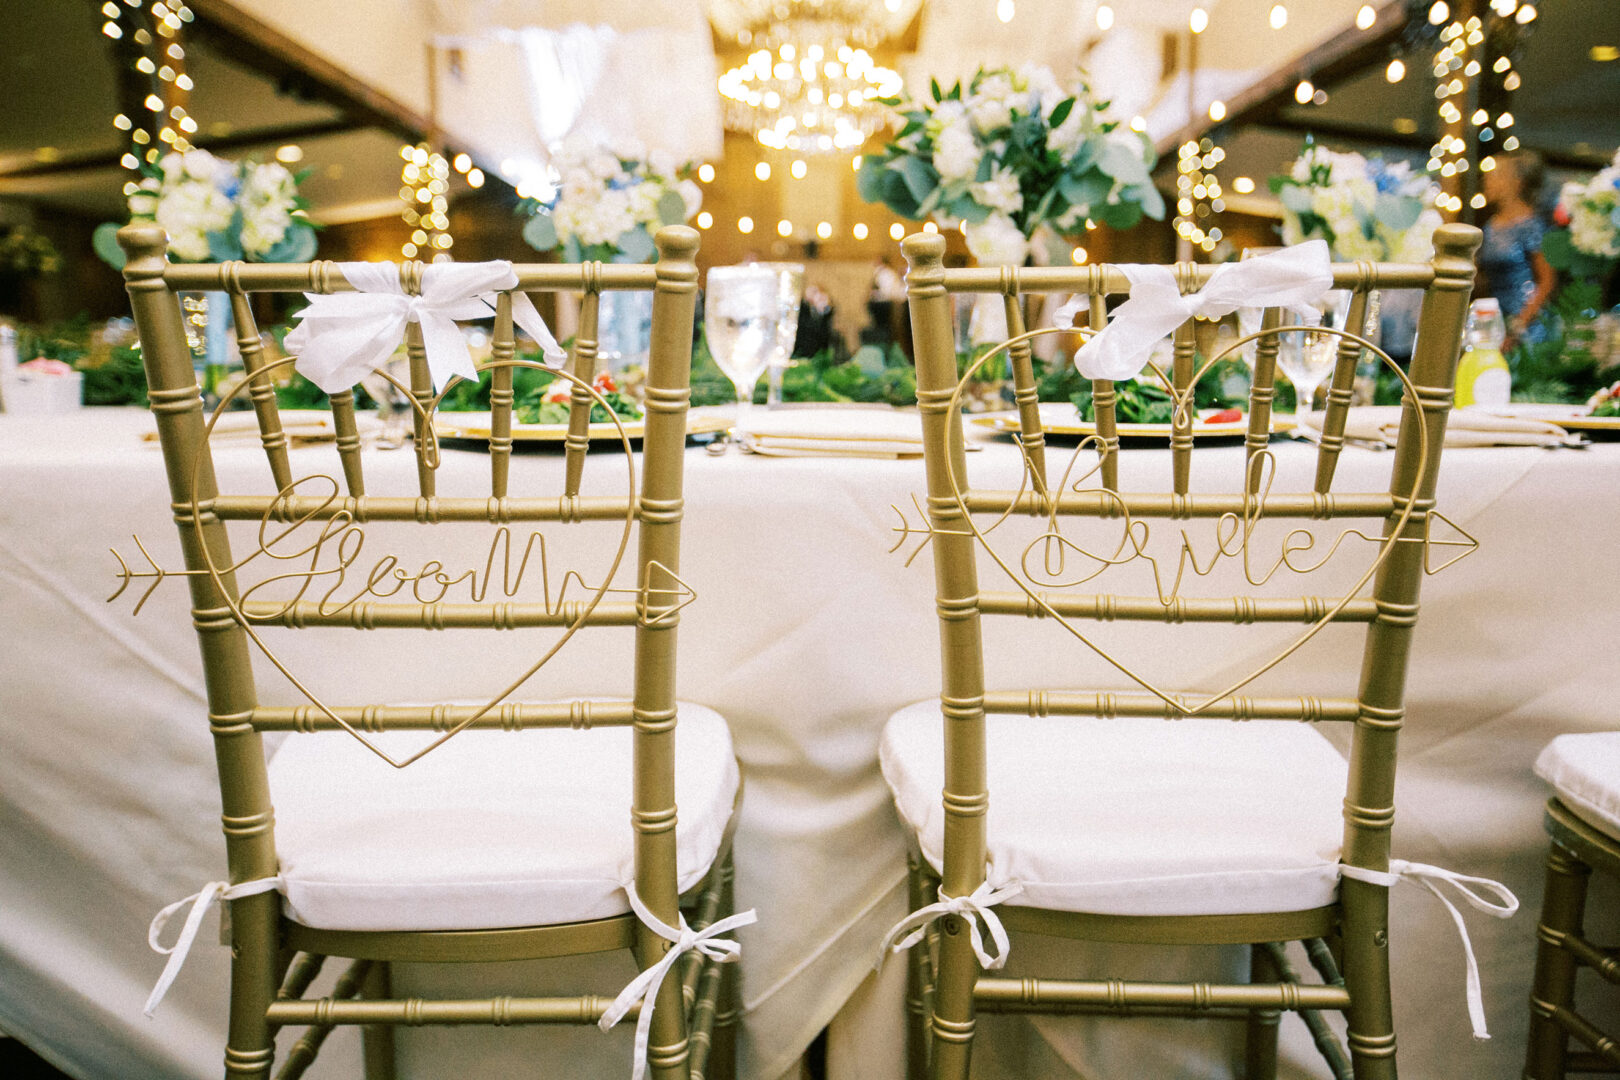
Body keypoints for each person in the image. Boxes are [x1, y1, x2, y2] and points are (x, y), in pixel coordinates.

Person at [1477, 151, 1557, 350]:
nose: (1487, 182)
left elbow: (1547, 282)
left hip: (1529, 326)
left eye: (1494, 176)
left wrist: (1519, 327)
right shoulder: (1490, 225)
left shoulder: (1531, 225)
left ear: (1516, 182)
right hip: (1497, 321)